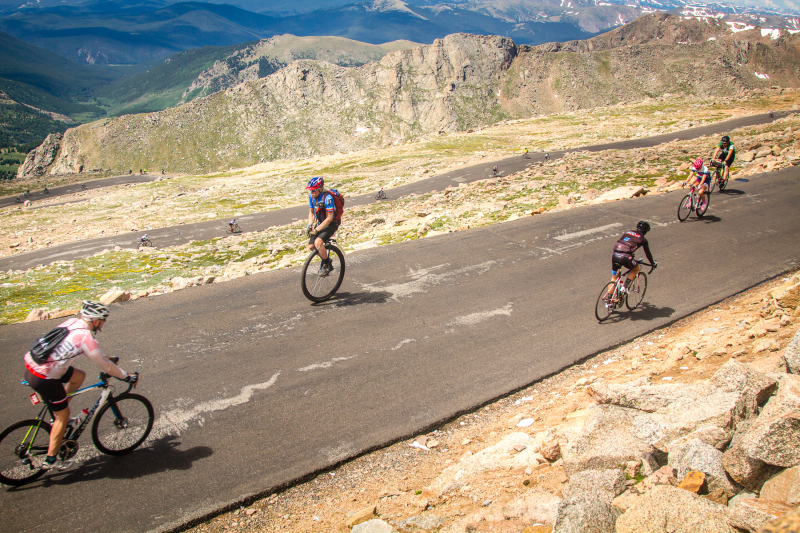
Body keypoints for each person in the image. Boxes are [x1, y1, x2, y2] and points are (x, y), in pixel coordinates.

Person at [22, 301, 135, 471]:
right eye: (103, 320)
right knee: (62, 415)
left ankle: (60, 412)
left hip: (32, 366)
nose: (104, 323)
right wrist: (127, 377)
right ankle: (51, 460)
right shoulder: (86, 337)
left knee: (79, 376)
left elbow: (87, 352)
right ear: (95, 321)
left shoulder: (72, 322)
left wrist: (107, 358)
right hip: (44, 377)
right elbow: (106, 367)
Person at [607, 221, 657, 299]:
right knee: (636, 269)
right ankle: (625, 287)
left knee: (614, 278)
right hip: (626, 257)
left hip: (615, 255)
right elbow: (648, 253)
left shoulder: (628, 232)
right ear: (646, 231)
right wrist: (652, 263)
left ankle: (609, 301)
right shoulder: (643, 239)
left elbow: (624, 243)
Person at [305, 176, 341, 275]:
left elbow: (329, 218)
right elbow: (312, 213)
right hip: (320, 223)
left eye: (314, 190)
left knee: (318, 242)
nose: (312, 192)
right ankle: (326, 259)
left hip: (331, 223)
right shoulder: (312, 197)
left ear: (320, 188)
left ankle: (327, 264)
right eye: (310, 190)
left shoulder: (328, 198)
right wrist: (310, 225)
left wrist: (316, 230)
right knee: (311, 246)